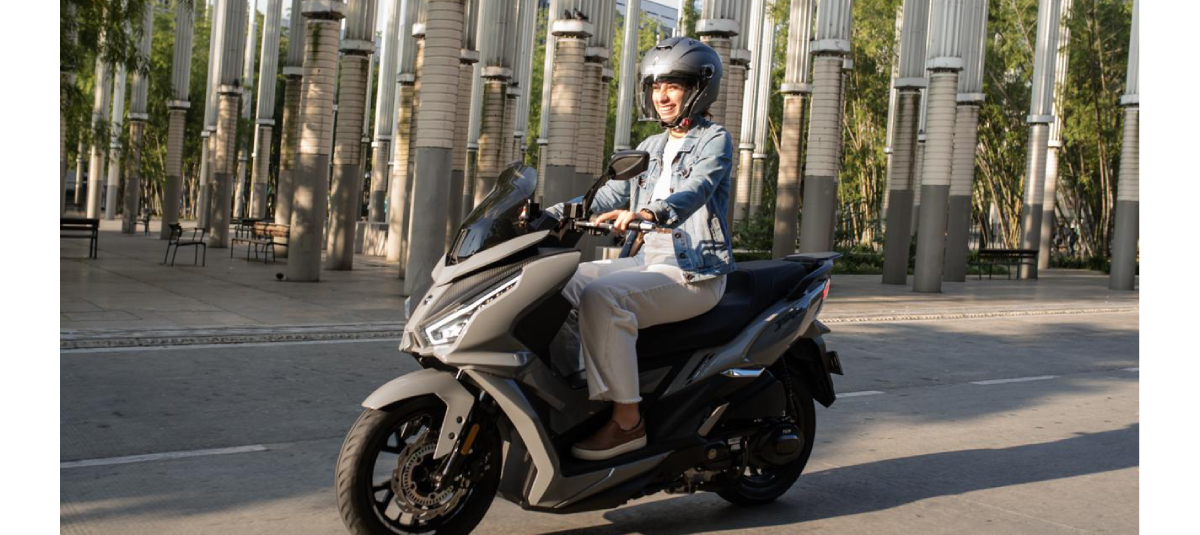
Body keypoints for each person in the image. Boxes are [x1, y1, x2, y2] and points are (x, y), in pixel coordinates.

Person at [545, 37, 736, 461]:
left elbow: (697, 190)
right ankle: (574, 392)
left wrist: (650, 214)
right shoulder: (650, 147)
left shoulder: (714, 141)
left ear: (699, 89)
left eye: (674, 85)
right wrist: (545, 214)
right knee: (558, 282)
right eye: (655, 86)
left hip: (693, 273)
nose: (662, 95)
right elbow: (607, 196)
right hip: (648, 263)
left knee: (601, 297)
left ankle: (628, 422)